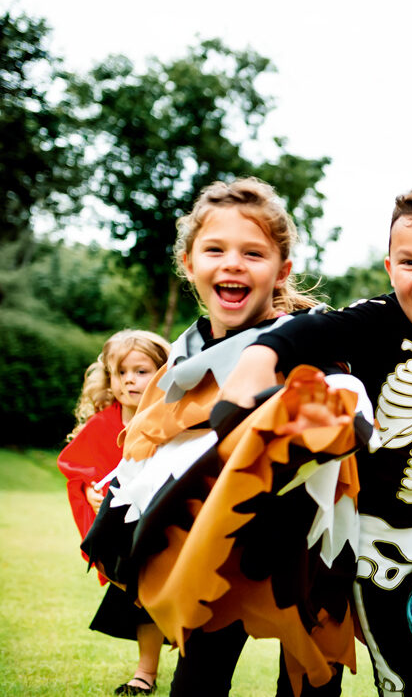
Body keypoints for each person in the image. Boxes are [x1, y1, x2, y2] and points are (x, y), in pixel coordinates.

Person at [222, 180, 412, 697]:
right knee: (402, 676)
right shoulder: (371, 322)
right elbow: (303, 332)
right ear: (390, 267)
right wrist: (262, 357)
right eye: (409, 262)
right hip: (372, 542)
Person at [81, 177, 365, 697]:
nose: (233, 263)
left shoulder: (304, 345)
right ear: (190, 264)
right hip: (213, 547)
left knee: (310, 680)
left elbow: (342, 409)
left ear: (281, 272)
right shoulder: (180, 359)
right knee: (197, 680)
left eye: (252, 252)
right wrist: (126, 486)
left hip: (300, 549)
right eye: (216, 249)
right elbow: (152, 443)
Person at [59, 330, 171, 695]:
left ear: (162, 372)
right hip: (125, 535)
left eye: (141, 371)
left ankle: (193, 665)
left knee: (174, 596)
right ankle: (146, 673)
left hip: (166, 526)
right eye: (120, 373)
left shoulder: (173, 418)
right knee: (139, 597)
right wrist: (91, 493)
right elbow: (80, 467)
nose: (129, 381)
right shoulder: (103, 424)